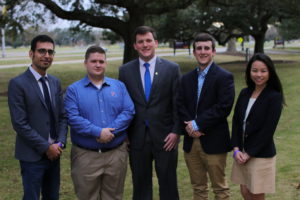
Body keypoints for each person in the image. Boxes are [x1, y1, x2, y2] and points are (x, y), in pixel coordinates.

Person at [64, 46, 135, 200]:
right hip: (86, 157)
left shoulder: (119, 86)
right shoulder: (73, 90)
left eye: (101, 61)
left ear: (106, 63)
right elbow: (73, 117)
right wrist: (98, 132)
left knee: (114, 196)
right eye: (93, 61)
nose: (98, 64)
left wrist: (110, 132)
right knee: (87, 197)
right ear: (85, 63)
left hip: (116, 155)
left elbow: (128, 111)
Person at [119, 26, 181, 200]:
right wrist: (124, 133)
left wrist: (176, 131)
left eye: (148, 40)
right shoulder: (125, 71)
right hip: (136, 138)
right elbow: (123, 105)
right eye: (141, 42)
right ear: (135, 46)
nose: (145, 45)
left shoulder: (172, 69)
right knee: (140, 186)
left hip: (166, 138)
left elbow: (178, 103)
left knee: (168, 185)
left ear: (156, 43)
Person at [7, 35, 68, 200]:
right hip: (32, 156)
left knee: (52, 196)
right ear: (31, 54)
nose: (47, 55)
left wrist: (59, 143)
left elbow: (62, 117)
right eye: (42, 51)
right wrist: (46, 147)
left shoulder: (55, 82)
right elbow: (20, 124)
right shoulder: (17, 84)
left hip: (55, 154)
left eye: (50, 51)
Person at [177, 33, 235, 200]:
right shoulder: (186, 79)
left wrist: (197, 124)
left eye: (206, 48)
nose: (203, 52)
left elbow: (223, 107)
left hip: (214, 140)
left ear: (213, 51)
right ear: (194, 52)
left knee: (220, 189)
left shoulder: (225, 77)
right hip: (191, 142)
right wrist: (189, 127)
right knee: (198, 188)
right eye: (199, 48)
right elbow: (180, 105)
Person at [231, 53, 284, 200]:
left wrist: (249, 154)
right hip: (240, 153)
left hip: (260, 154)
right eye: (254, 70)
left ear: (270, 72)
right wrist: (236, 149)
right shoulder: (244, 93)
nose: (258, 74)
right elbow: (236, 122)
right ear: (249, 72)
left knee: (255, 194)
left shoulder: (274, 96)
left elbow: (268, 131)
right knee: (245, 191)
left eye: (263, 71)